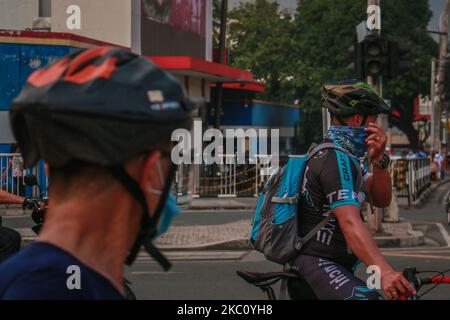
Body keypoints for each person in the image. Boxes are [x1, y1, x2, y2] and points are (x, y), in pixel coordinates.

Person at [0, 47, 197, 299]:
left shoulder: (34, 281)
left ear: (48, 169)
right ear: (151, 173)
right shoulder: (58, 290)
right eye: (170, 167)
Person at [290, 80, 415, 300]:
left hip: (335, 264)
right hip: (318, 262)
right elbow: (349, 221)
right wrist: (384, 272)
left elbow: (380, 199)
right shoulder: (333, 159)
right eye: (374, 120)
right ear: (359, 119)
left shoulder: (349, 158)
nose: (377, 126)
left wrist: (379, 160)